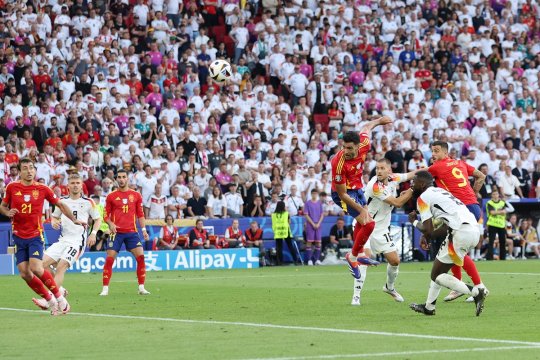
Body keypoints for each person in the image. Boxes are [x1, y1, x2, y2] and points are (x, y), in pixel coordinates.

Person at [0, 158, 87, 315]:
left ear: (35, 170)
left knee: (36, 267)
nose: (29, 171)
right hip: (18, 236)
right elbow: (3, 206)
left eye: (31, 168)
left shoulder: (43, 189)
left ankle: (60, 298)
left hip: (35, 235)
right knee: (24, 273)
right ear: (19, 171)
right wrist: (7, 212)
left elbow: (60, 205)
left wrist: (74, 220)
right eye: (25, 168)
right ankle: (50, 299)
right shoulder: (12, 187)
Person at [408, 171, 486, 316]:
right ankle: (429, 307)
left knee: (436, 274)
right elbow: (443, 228)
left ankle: (476, 291)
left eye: (414, 182)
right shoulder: (441, 192)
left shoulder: (423, 198)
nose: (412, 185)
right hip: (471, 230)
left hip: (461, 232)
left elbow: (427, 229)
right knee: (438, 268)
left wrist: (413, 221)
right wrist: (428, 236)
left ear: (423, 184)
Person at [331, 116, 393, 279]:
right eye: (344, 147)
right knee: (369, 223)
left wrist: (379, 120)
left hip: (357, 187)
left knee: (364, 221)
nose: (346, 151)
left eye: (350, 148)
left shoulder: (364, 143)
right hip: (343, 194)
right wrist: (360, 209)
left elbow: (366, 127)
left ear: (358, 145)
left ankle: (358, 254)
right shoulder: (338, 163)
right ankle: (352, 257)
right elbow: (342, 193)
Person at [428, 141, 488, 302]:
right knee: (453, 248)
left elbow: (420, 176)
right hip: (472, 206)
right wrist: (474, 192)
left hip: (462, 210)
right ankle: (462, 286)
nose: (433, 154)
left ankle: (479, 287)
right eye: (432, 151)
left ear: (445, 152)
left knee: (455, 250)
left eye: (436, 151)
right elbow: (481, 176)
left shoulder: (438, 167)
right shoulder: (460, 163)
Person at [32, 173, 101, 310]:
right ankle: (60, 290)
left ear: (82, 186)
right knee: (39, 266)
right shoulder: (61, 201)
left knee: (61, 267)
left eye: (78, 183)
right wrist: (54, 222)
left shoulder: (88, 202)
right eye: (73, 183)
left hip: (77, 242)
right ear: (68, 186)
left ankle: (50, 299)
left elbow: (97, 219)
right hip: (62, 240)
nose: (75, 185)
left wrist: (93, 234)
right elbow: (54, 217)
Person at [351, 158, 415, 306]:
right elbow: (398, 203)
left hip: (380, 229)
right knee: (365, 257)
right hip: (364, 224)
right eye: (377, 168)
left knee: (395, 261)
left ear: (389, 170)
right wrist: (412, 189)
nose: (378, 171)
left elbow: (411, 174)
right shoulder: (375, 186)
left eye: (381, 168)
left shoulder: (394, 178)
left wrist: (432, 169)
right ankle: (356, 296)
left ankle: (389, 287)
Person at [99, 169, 150, 296]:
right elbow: (106, 215)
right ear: (116, 179)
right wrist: (110, 224)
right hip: (115, 233)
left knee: (141, 258)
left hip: (132, 232)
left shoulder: (136, 195)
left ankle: (141, 287)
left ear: (127, 179)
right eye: (119, 177)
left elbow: (140, 214)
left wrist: (143, 230)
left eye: (124, 177)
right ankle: (105, 289)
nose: (121, 179)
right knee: (110, 259)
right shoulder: (111, 196)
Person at [485, 189, 514, 261]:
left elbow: (507, 211)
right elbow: (492, 212)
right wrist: (501, 211)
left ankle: (503, 258)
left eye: (496, 194)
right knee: (491, 241)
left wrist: (497, 211)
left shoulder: (502, 203)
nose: (495, 196)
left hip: (501, 225)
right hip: (492, 224)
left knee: (503, 241)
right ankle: (489, 258)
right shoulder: (489, 203)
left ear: (498, 195)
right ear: (491, 196)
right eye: (493, 194)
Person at [271, 200, 299, 265]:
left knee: (279, 247)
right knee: (290, 246)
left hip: (278, 231)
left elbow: (273, 223)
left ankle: (280, 262)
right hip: (286, 231)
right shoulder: (286, 214)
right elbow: (289, 222)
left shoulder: (273, 215)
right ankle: (295, 260)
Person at [304, 189, 324, 266]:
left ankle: (317, 259)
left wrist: (318, 223)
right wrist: (312, 223)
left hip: (318, 224)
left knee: (318, 242)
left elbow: (322, 214)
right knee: (309, 242)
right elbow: (306, 214)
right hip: (310, 224)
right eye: (313, 193)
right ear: (311, 194)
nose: (314, 195)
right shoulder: (307, 203)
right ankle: (309, 260)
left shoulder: (319, 203)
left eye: (316, 193)